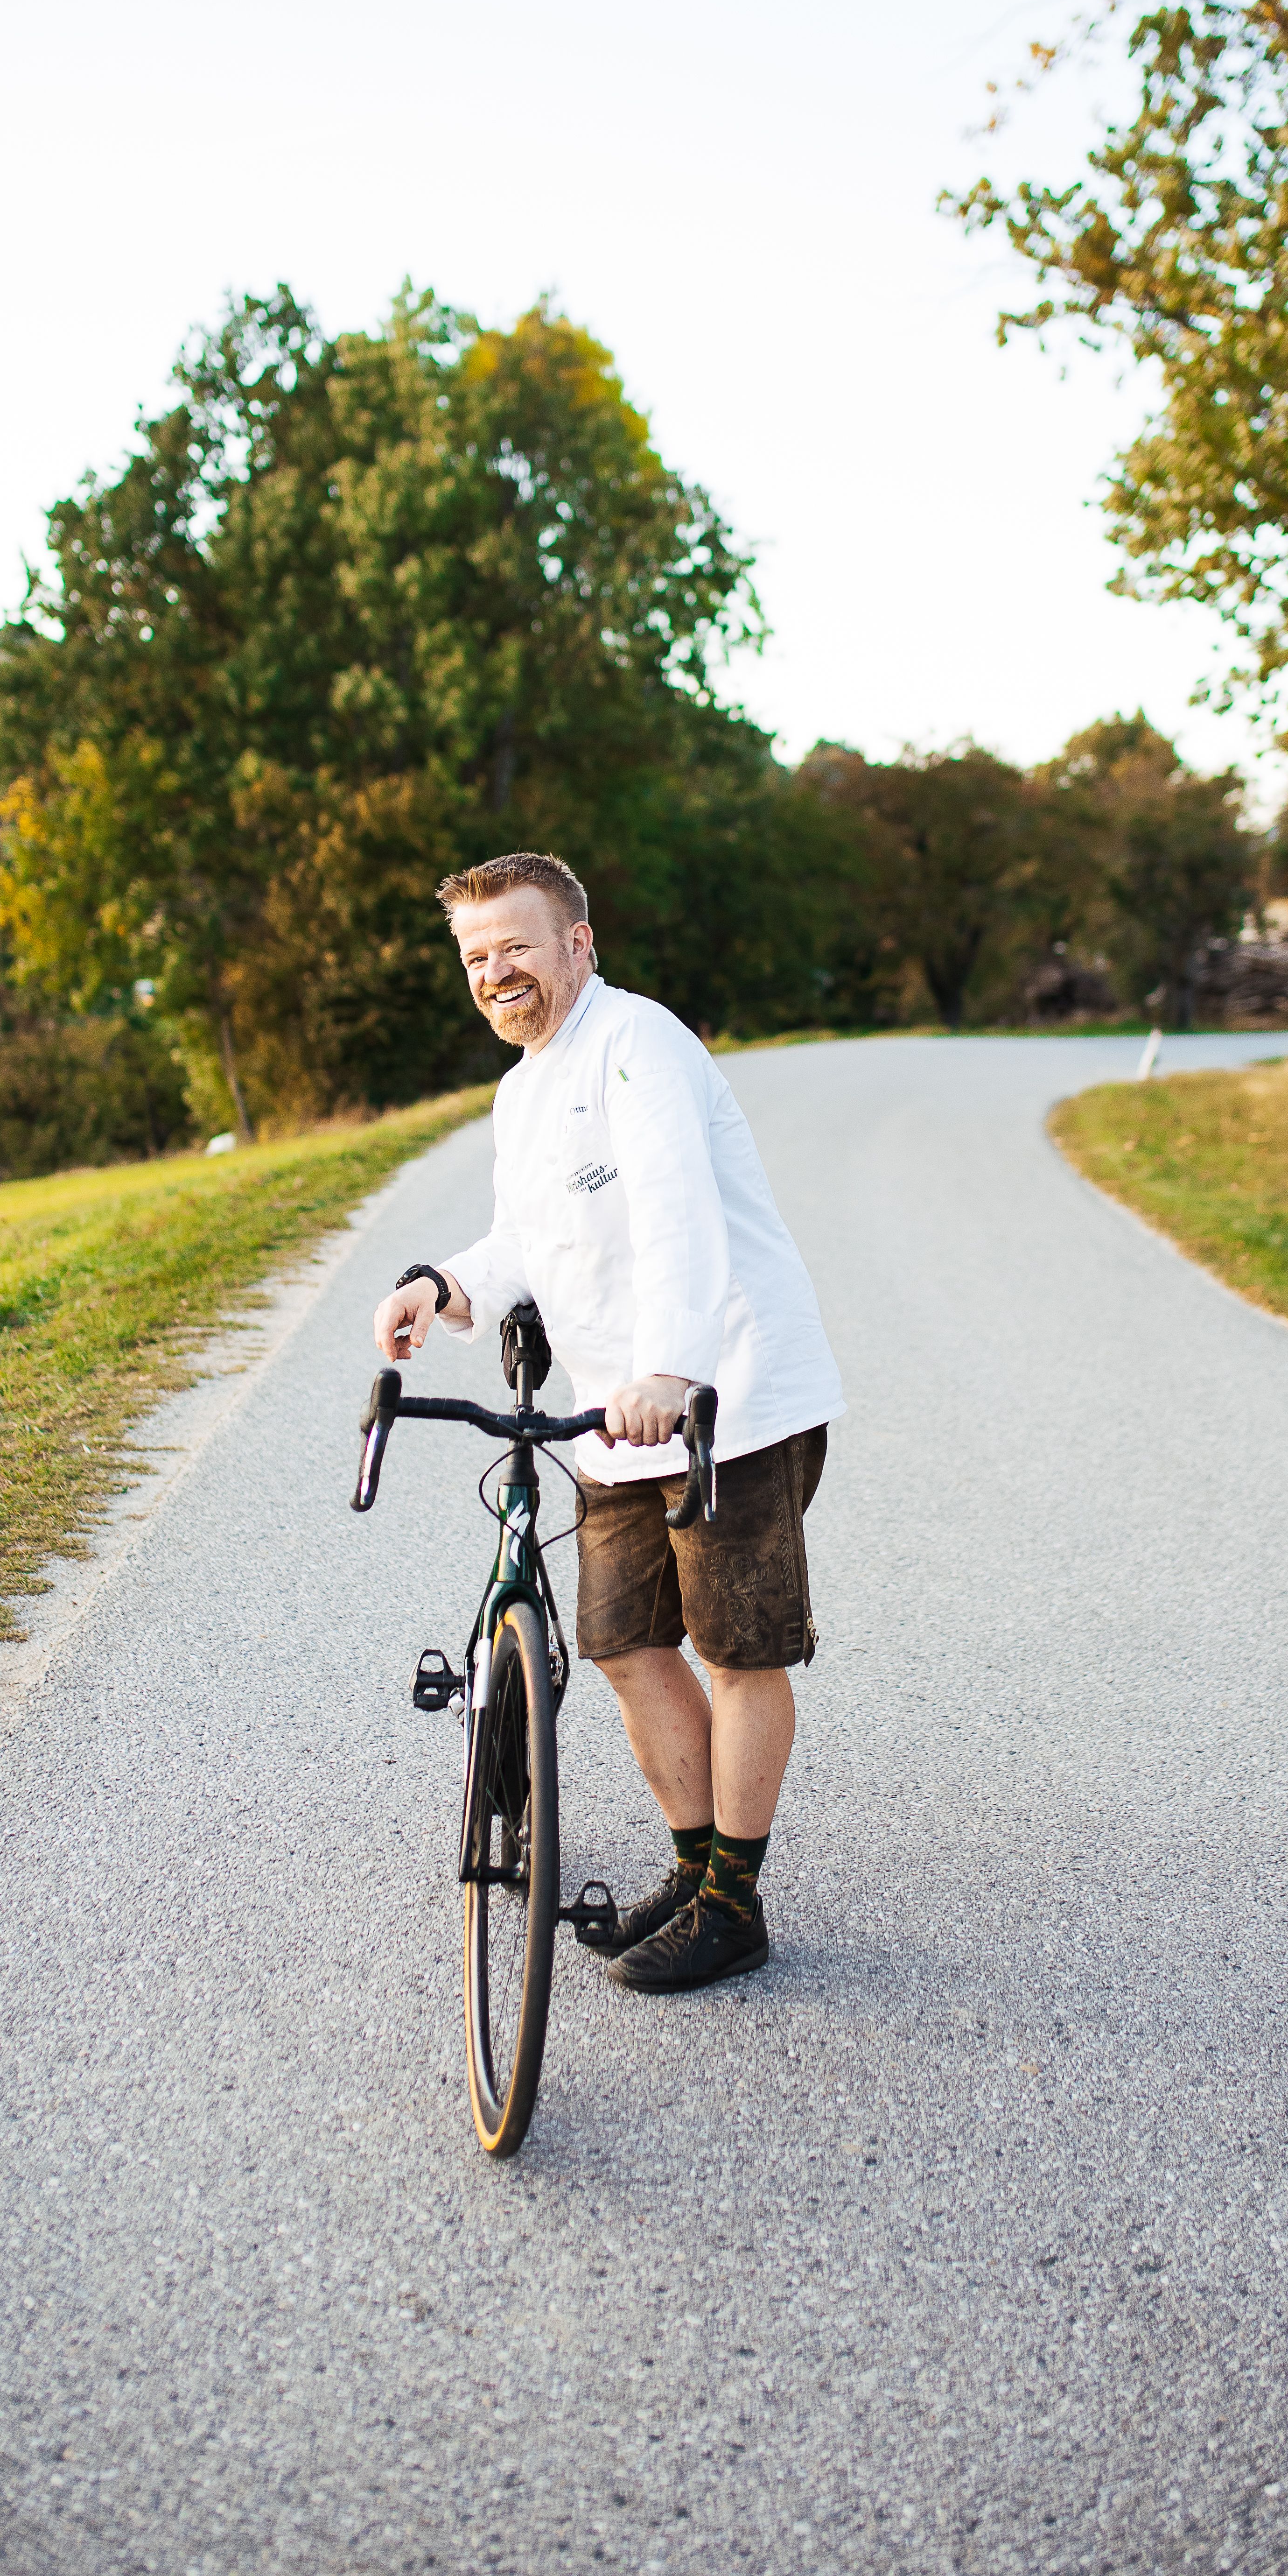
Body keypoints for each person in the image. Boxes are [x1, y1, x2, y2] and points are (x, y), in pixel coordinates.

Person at [371, 851, 843, 1994]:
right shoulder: (522, 1090)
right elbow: (526, 1240)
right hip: (611, 1421)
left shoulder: (640, 1045)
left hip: (724, 1403)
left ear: (578, 944)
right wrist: (443, 1284)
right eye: (476, 957)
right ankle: (692, 1869)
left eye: (516, 947)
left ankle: (733, 1906)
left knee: (736, 1651)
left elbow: (678, 1210)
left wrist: (670, 1369)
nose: (496, 973)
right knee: (626, 1644)